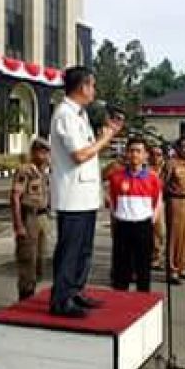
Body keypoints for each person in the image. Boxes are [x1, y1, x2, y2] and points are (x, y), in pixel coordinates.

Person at [49, 66, 124, 317]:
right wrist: (105, 139)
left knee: (84, 249)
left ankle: (76, 291)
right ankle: (61, 299)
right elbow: (80, 154)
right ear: (82, 86)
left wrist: (106, 135)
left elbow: (89, 151)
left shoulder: (80, 115)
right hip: (72, 196)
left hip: (85, 195)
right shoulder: (65, 115)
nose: (94, 90)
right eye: (92, 85)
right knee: (70, 249)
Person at [107, 138, 161, 292]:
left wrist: (150, 223)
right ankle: (119, 307)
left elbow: (157, 204)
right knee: (120, 273)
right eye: (131, 150)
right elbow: (112, 203)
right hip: (123, 227)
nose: (134, 154)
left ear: (145, 155)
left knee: (143, 271)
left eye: (139, 151)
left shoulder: (153, 178)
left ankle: (143, 306)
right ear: (126, 153)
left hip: (143, 227)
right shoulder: (116, 177)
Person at [11, 139, 52, 301]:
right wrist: (18, 225)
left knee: (40, 260)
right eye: (42, 152)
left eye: (47, 152)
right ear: (34, 152)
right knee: (27, 258)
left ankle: (32, 291)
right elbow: (15, 197)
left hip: (42, 217)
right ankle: (25, 297)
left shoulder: (42, 172)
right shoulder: (25, 171)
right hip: (28, 217)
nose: (46, 156)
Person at [164, 138, 185, 285]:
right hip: (175, 201)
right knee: (175, 237)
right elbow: (162, 182)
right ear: (177, 148)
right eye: (184, 147)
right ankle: (172, 270)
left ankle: (181, 267)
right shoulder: (171, 163)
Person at [150, 145, 167, 272]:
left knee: (160, 232)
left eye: (159, 154)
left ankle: (157, 258)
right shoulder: (146, 170)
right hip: (147, 203)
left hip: (161, 203)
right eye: (153, 154)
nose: (156, 157)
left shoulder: (166, 169)